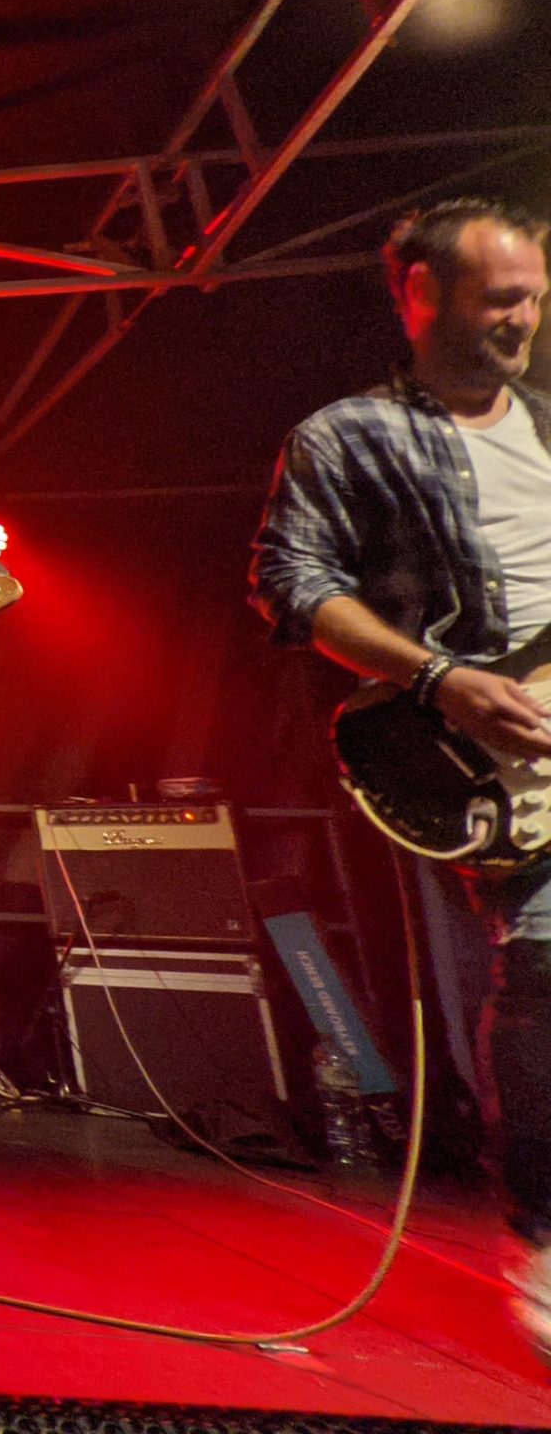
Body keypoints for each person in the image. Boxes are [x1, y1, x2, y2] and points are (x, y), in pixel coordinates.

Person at [251, 196, 551, 1358]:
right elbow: (289, 584)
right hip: (482, 749)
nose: (524, 317)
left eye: (534, 296)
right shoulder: (350, 437)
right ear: (420, 294)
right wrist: (439, 679)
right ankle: (543, 1241)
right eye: (501, 298)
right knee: (544, 964)